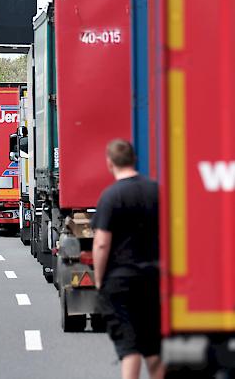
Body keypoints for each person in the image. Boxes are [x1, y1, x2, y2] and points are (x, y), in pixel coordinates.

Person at [91, 139, 163, 379]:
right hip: (153, 277)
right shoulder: (156, 190)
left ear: (109, 163)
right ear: (135, 159)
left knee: (129, 347)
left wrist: (99, 280)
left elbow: (102, 243)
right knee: (153, 348)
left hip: (120, 280)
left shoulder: (111, 196)